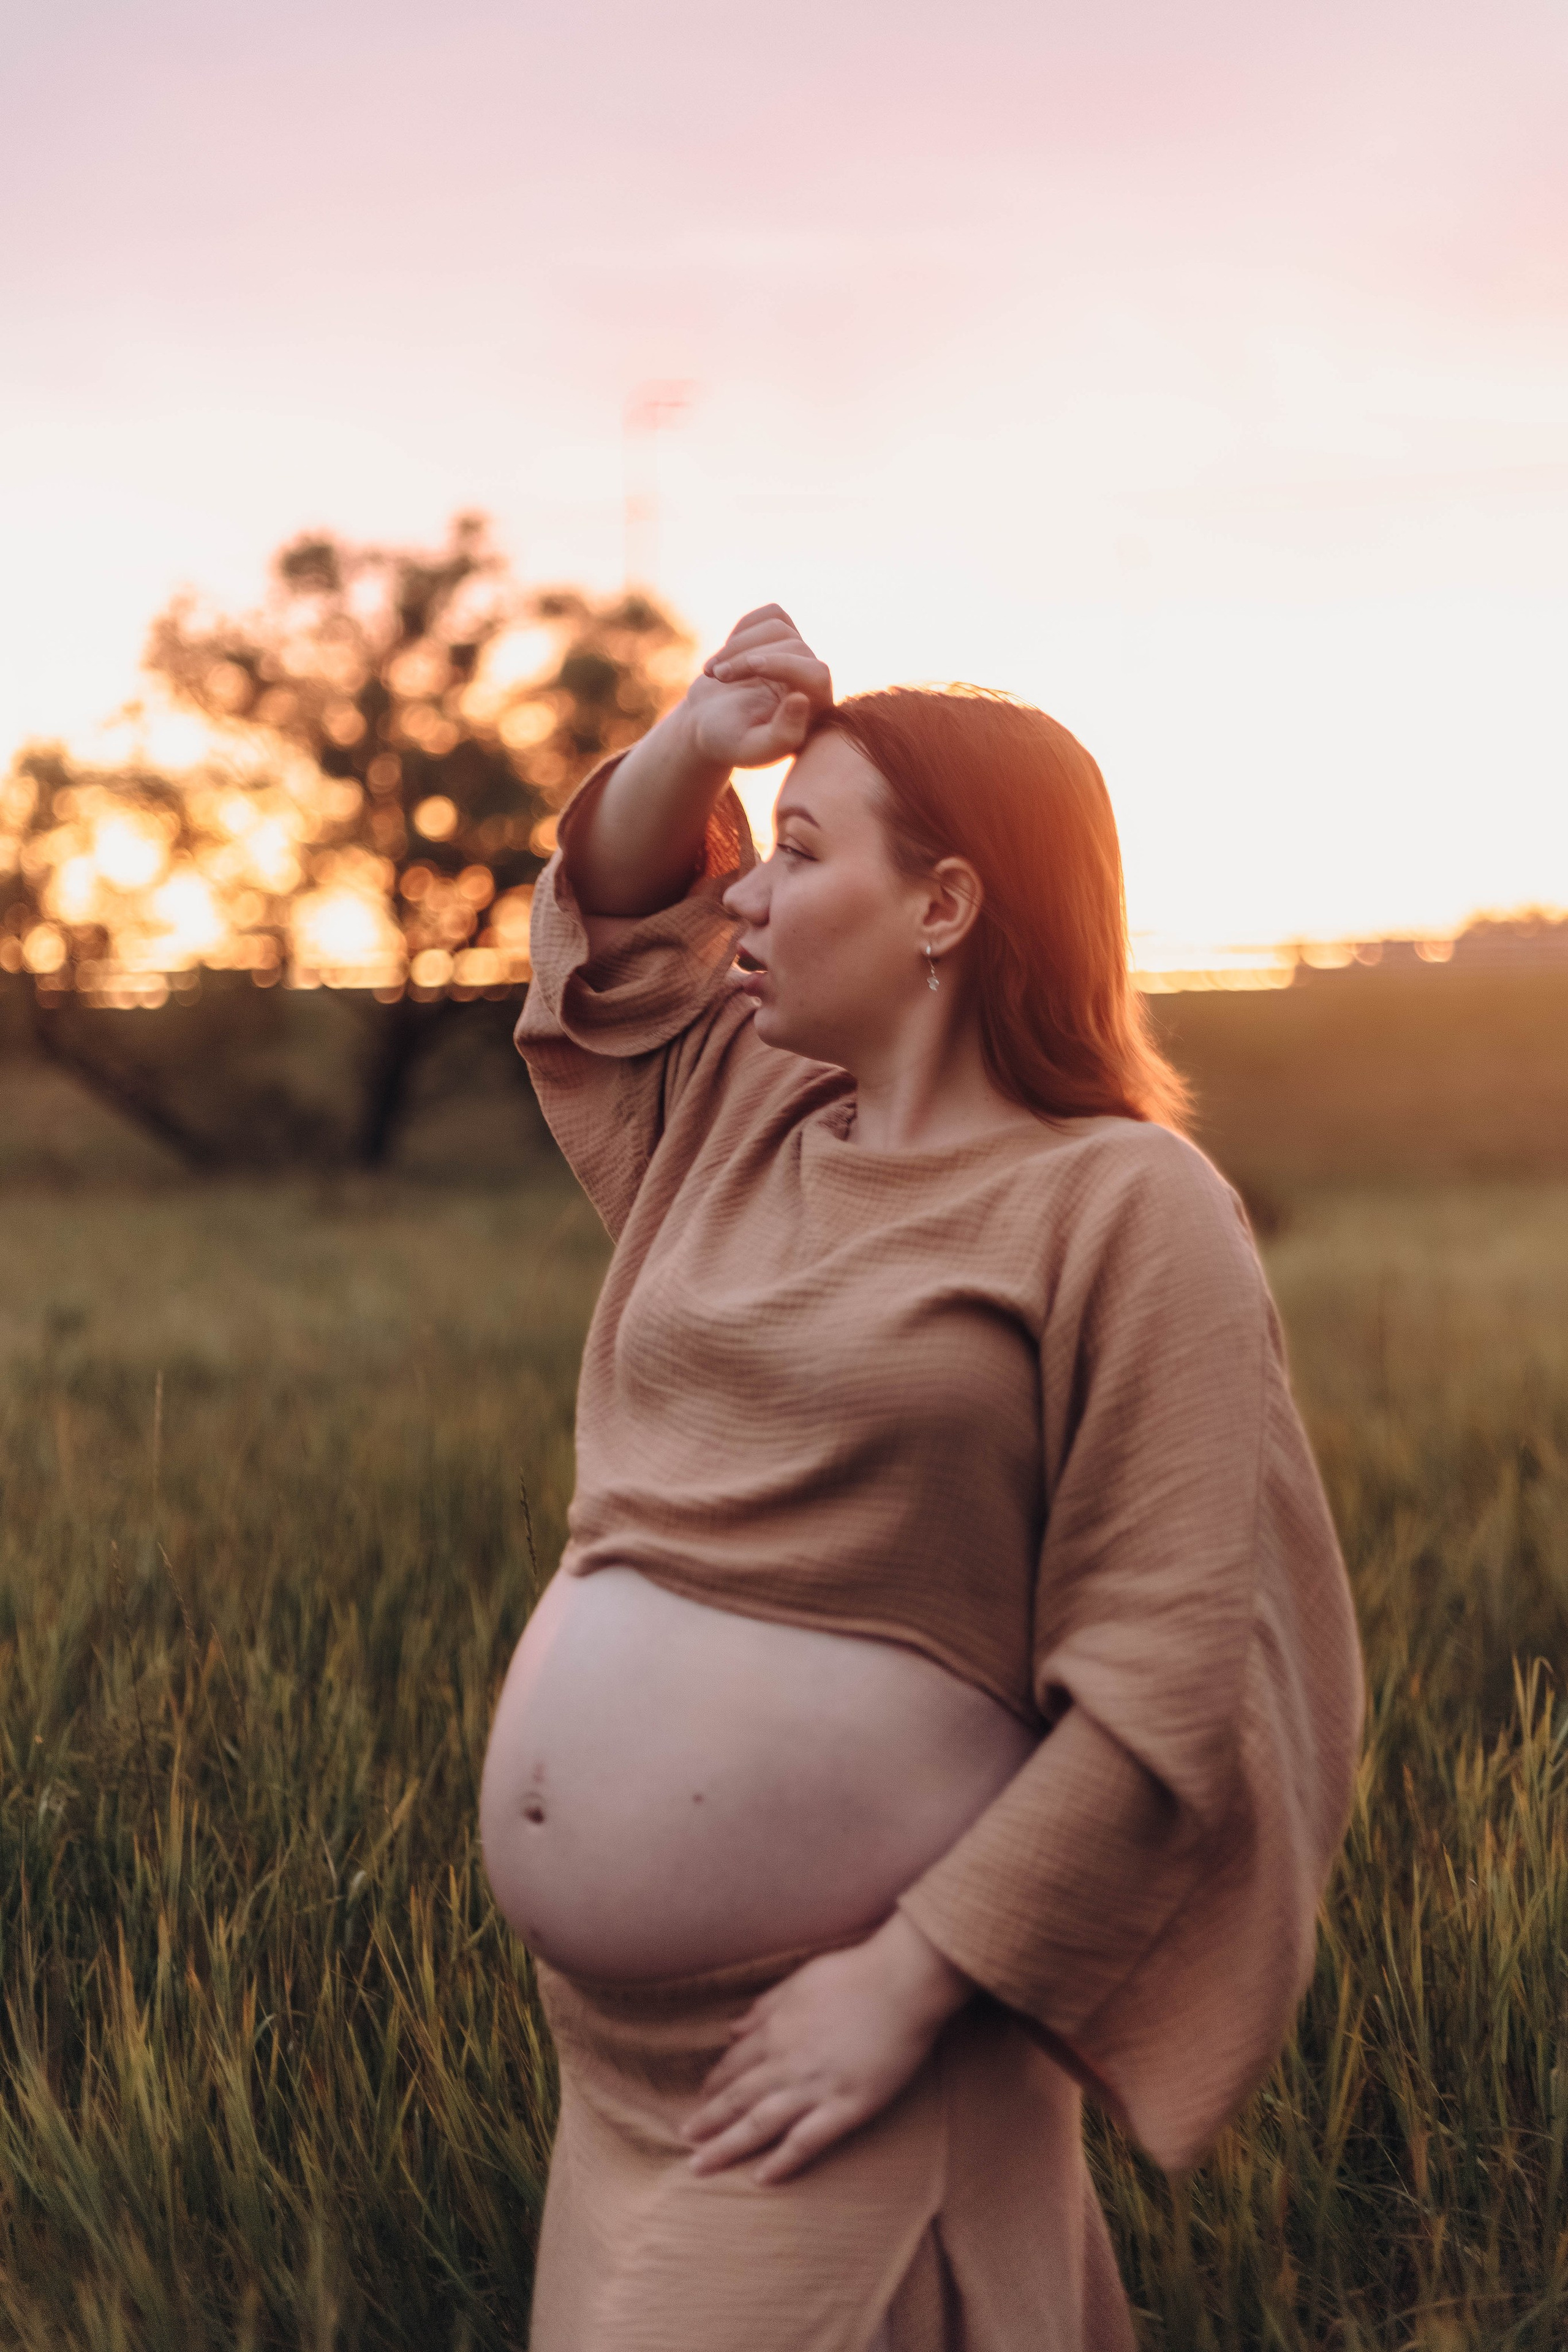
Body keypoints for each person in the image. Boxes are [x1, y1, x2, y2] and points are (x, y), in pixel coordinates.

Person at [478, 605, 1364, 2352]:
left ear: (946, 905)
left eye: (798, 852)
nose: (747, 891)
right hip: (624, 2078)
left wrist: (909, 1981)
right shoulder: (739, 1116)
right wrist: (697, 740)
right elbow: (618, 929)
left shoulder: (1128, 1206)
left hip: (849, 2059)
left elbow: (1167, 1678)